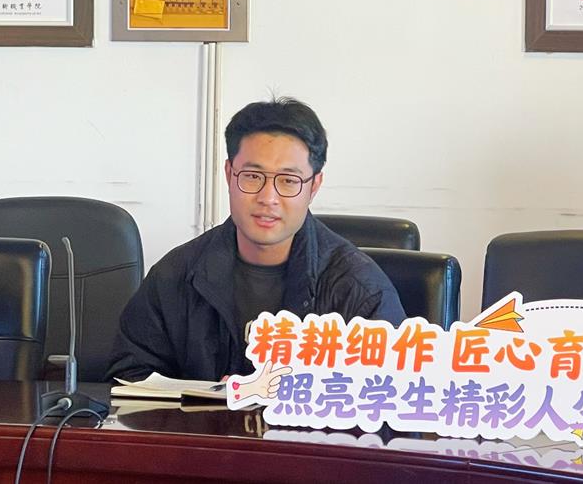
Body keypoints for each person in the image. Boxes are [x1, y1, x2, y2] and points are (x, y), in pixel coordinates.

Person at [108, 97, 405, 381]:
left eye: (288, 180)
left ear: (314, 186)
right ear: (229, 174)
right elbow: (129, 379)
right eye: (252, 176)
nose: (268, 197)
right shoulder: (175, 276)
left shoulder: (360, 290)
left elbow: (391, 394)